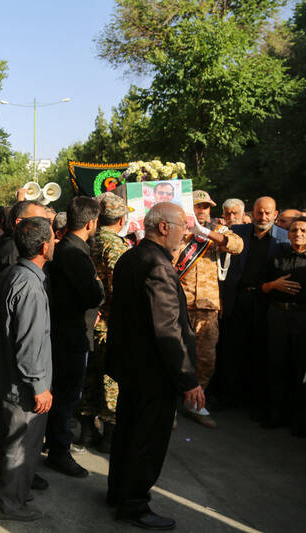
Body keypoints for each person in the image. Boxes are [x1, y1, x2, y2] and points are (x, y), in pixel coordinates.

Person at [106, 202, 205, 530]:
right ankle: (134, 504)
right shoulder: (157, 264)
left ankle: (119, 493)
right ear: (164, 227)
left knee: (128, 432)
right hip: (154, 372)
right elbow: (167, 329)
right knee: (147, 439)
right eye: (182, 227)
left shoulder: (131, 257)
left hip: (132, 366)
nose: (185, 234)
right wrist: (187, 378)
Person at [0, 217, 55, 522]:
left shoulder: (15, 274)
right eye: (53, 239)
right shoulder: (28, 284)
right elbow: (28, 344)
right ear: (43, 247)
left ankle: (10, 493)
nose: (55, 243)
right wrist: (39, 385)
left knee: (12, 442)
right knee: (20, 445)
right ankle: (9, 504)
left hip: (9, 379)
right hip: (23, 386)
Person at [46, 196, 104, 478]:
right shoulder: (75, 254)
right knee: (66, 396)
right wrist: (99, 285)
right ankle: (59, 451)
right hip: (70, 335)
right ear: (91, 223)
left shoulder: (63, 247)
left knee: (61, 394)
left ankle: (55, 443)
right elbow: (92, 295)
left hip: (62, 332)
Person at [175, 191, 243, 428]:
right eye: (197, 206)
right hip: (178, 305)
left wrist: (204, 232)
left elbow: (237, 245)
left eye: (206, 207)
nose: (202, 211)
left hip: (207, 306)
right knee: (174, 353)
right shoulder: (177, 231)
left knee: (206, 357)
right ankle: (168, 403)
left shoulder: (216, 231)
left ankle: (196, 402)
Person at [218, 197, 289, 415]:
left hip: (267, 301)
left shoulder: (284, 238)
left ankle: (257, 402)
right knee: (232, 349)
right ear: (252, 212)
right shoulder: (237, 232)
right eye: (259, 212)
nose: (263, 217)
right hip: (238, 298)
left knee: (261, 351)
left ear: (275, 214)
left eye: (268, 213)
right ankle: (229, 397)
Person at [77, 192, 131, 454]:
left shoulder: (88, 240)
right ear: (121, 220)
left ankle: (86, 432)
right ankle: (109, 436)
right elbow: (121, 288)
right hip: (110, 322)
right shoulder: (117, 246)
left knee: (89, 377)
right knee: (111, 381)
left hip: (90, 320)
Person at [261, 216, 306, 435]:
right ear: (288, 234)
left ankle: (299, 421)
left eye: (303, 230)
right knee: (276, 365)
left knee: (300, 369)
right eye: (294, 230)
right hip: (278, 315)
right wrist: (274, 284)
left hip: (302, 318)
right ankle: (275, 415)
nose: (298, 234)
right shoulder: (277, 258)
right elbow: (262, 287)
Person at [0, 200, 50, 277]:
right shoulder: (12, 250)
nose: (45, 226)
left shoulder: (27, 245)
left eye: (47, 221)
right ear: (19, 222)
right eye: (39, 221)